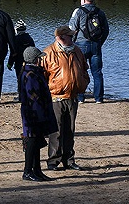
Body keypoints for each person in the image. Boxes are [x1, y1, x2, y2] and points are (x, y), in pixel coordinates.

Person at [40, 25, 90, 171]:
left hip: (72, 97)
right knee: (56, 131)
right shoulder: (48, 53)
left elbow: (84, 69)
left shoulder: (77, 51)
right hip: (55, 98)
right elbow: (41, 77)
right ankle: (53, 161)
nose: (73, 38)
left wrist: (83, 83)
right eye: (70, 36)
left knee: (70, 130)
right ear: (61, 38)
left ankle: (69, 160)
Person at [19, 46, 58, 182]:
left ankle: (37, 170)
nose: (41, 60)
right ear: (35, 60)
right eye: (39, 58)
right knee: (31, 142)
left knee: (36, 141)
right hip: (33, 113)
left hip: (36, 112)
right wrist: (41, 115)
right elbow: (33, 97)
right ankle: (28, 171)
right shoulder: (31, 75)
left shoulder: (32, 72)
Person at [68, 0, 110, 103]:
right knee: (97, 73)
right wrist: (99, 43)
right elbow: (106, 30)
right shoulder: (100, 12)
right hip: (96, 45)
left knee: (80, 71)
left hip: (81, 45)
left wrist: (70, 44)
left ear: (84, 0)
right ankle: (99, 98)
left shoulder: (78, 11)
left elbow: (72, 28)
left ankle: (81, 97)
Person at [7, 19, 35, 101]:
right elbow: (34, 50)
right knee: (29, 78)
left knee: (20, 79)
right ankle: (30, 95)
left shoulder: (15, 39)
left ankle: (21, 96)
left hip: (19, 62)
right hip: (29, 63)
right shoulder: (29, 38)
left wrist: (9, 64)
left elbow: (13, 53)